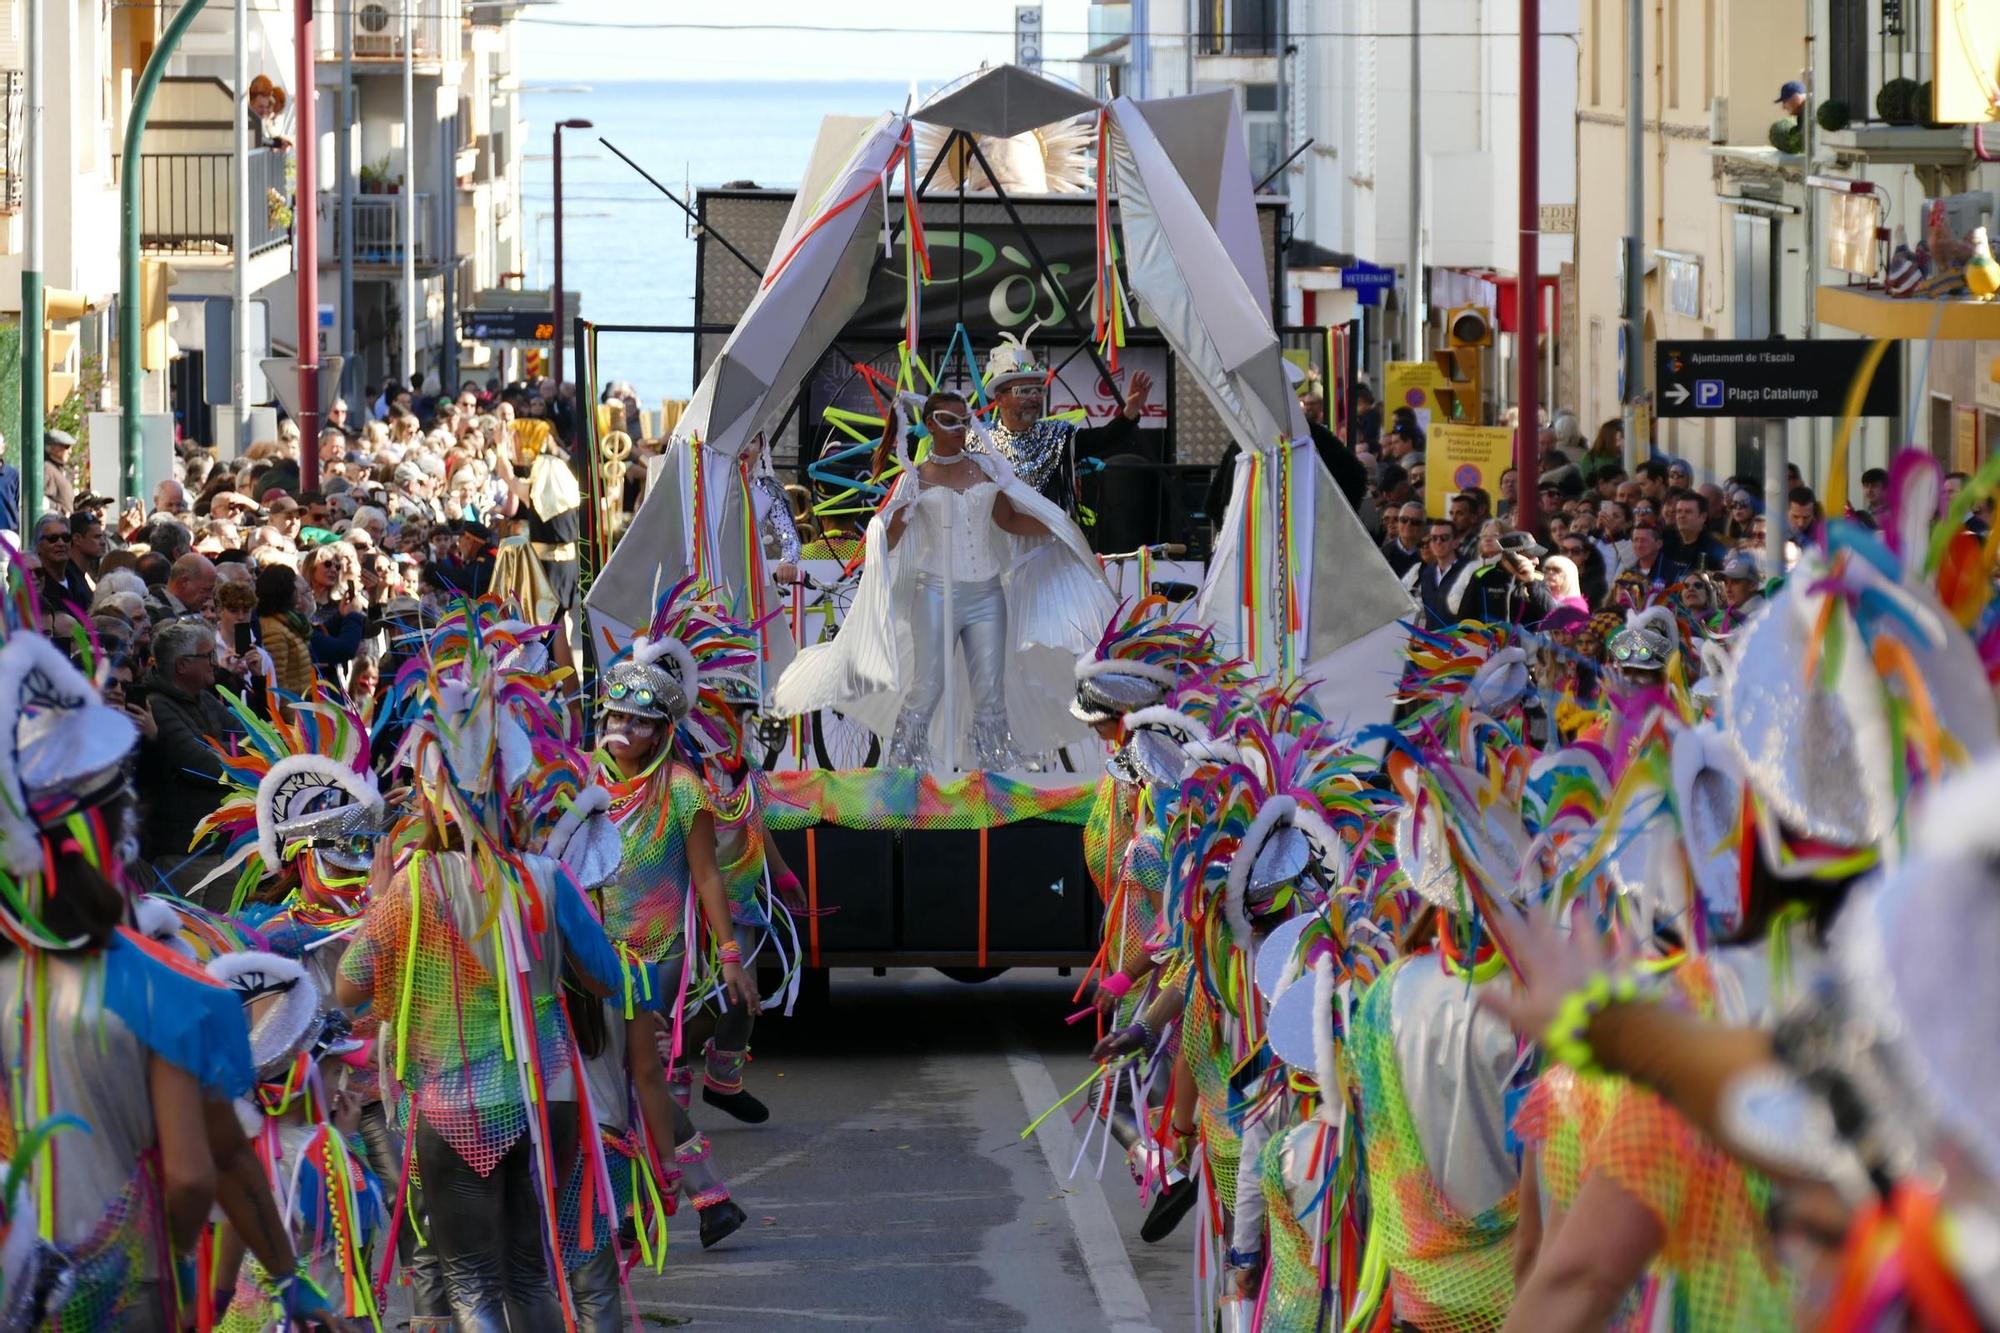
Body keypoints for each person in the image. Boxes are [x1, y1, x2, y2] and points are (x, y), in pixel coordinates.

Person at [336, 642, 639, 1327]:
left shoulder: (412, 886)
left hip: (451, 1105)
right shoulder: (545, 878)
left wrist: (376, 901)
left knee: (472, 1281)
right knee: (532, 1273)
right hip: (546, 1095)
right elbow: (609, 978)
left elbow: (352, 987)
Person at [776, 389, 1116, 772]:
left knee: (990, 690)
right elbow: (893, 537)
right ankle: (905, 767)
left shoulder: (987, 467)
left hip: (987, 593)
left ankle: (992, 771)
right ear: (930, 425)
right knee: (929, 686)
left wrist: (1058, 527)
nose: (959, 429)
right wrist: (877, 532)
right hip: (934, 593)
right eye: (950, 421)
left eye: (964, 420)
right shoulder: (916, 479)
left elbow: (1007, 520)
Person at [977, 334, 1153, 513]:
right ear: (1000, 399)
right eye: (1024, 391)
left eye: (1038, 390)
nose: (1034, 397)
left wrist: (1129, 412)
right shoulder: (978, 440)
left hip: (1052, 537)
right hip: (997, 538)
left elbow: (1104, 437)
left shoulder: (1058, 436)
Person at [136, 618, 242, 900]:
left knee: (224, 933)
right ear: (182, 665)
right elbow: (201, 764)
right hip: (182, 846)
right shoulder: (157, 705)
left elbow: (253, 738)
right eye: (208, 656)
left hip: (221, 842)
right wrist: (229, 753)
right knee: (186, 935)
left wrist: (217, 747)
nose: (215, 663)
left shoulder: (203, 698)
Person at [30, 511, 92, 618]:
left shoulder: (76, 578)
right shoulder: (35, 581)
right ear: (38, 545)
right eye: (53, 539)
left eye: (66, 538)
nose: (61, 543)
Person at [145, 551, 218, 624]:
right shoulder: (152, 614)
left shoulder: (193, 610)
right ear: (185, 582)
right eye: (206, 590)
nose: (210, 596)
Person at [1663, 491, 1727, 572]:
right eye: (1679, 511)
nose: (1682, 516)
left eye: (1688, 512)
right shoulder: (1667, 541)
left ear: (1703, 517)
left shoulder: (1714, 550)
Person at [42, 428, 76, 515]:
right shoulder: (47, 469)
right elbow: (40, 499)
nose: (70, 451)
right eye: (67, 447)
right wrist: (60, 509)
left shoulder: (58, 469)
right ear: (51, 448)